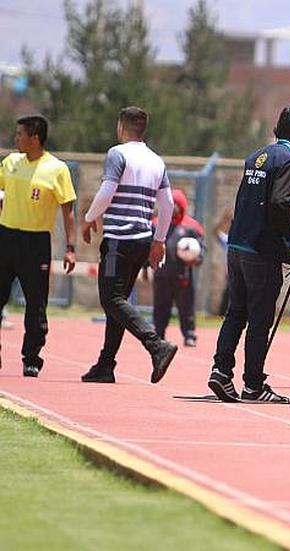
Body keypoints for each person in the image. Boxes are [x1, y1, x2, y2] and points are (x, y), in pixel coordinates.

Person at [206, 106, 290, 402]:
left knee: (236, 313)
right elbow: (279, 204)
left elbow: (263, 197)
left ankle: (220, 372)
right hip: (260, 252)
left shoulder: (258, 156)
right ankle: (253, 384)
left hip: (237, 245)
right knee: (259, 319)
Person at [80, 107, 178, 384]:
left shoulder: (117, 154)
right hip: (142, 241)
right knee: (118, 302)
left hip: (118, 241)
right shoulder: (157, 161)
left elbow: (107, 191)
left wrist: (89, 219)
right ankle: (106, 364)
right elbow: (168, 205)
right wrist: (159, 240)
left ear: (122, 126)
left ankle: (156, 345)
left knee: (111, 299)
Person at [0, 115, 77, 377]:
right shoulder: (10, 163)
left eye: (20, 134)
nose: (16, 138)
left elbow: (68, 211)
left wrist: (70, 247)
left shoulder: (57, 169)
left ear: (34, 138)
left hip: (36, 243)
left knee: (36, 304)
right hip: (6, 237)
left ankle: (31, 357)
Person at [152, 188, 205, 347]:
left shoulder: (192, 227)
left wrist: (197, 259)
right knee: (161, 306)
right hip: (161, 273)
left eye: (177, 204)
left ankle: (189, 334)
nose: (173, 207)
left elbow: (201, 248)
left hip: (183, 275)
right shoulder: (156, 223)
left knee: (186, 306)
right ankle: (159, 334)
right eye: (171, 204)